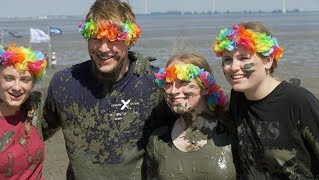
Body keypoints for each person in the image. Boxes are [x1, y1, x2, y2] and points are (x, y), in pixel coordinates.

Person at [42, 0, 175, 179]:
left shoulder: (153, 83)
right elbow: (35, 132)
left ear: (129, 40)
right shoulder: (64, 83)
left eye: (113, 39)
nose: (103, 48)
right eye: (96, 38)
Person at [212, 21, 319, 179]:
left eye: (243, 58)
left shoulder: (297, 101)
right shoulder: (238, 97)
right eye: (228, 59)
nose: (234, 67)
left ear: (268, 60)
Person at [146, 53, 236, 179]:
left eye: (183, 82)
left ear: (205, 87)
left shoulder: (232, 131)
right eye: (168, 83)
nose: (173, 91)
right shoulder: (158, 140)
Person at [0, 43, 47, 179]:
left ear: (33, 84)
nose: (17, 87)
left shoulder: (35, 108)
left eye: (25, 80)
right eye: (9, 78)